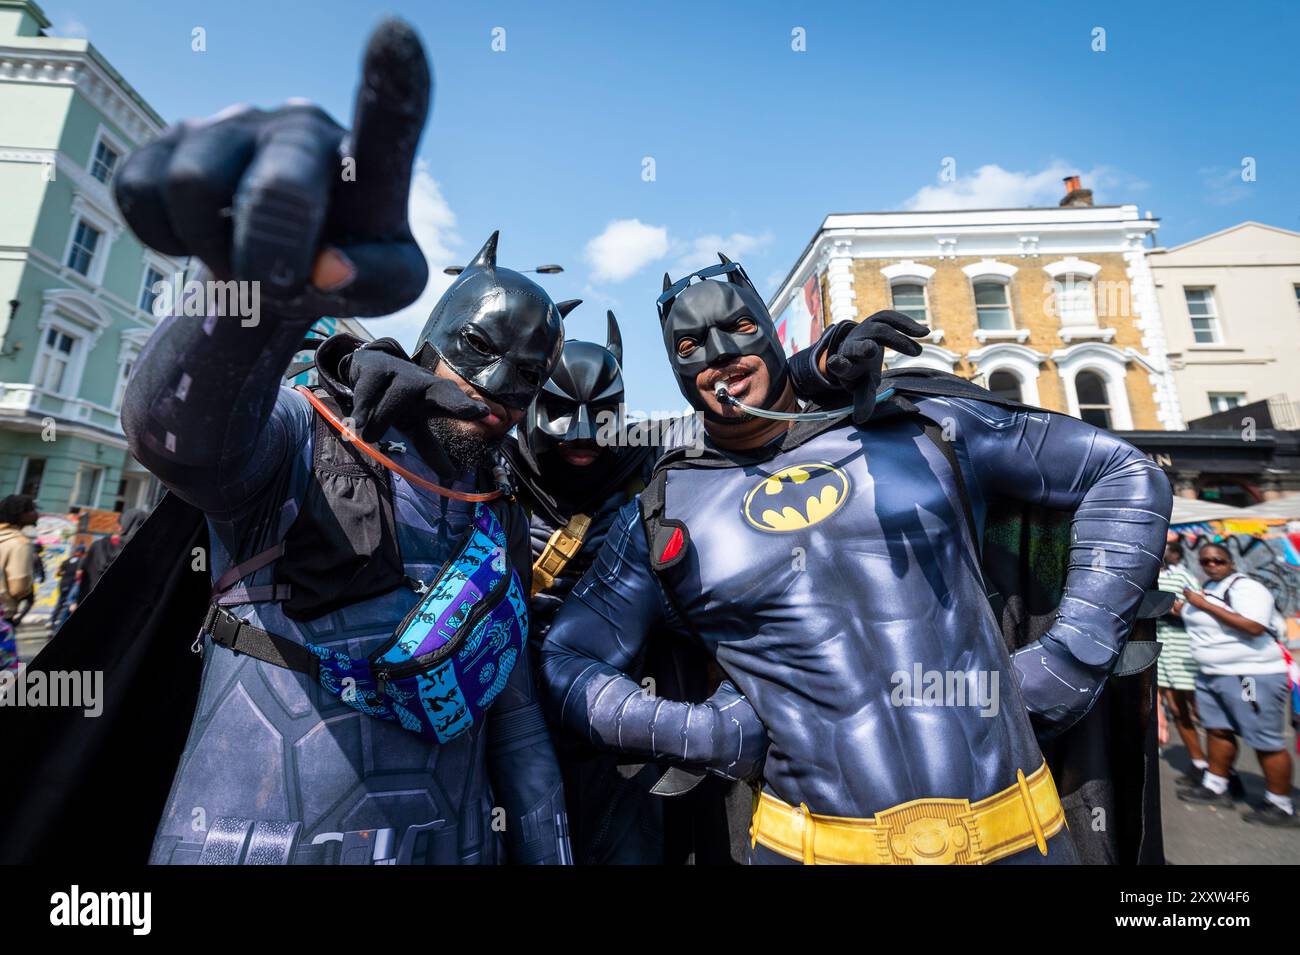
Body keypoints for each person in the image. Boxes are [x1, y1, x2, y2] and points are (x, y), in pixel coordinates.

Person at [17, 19, 568, 865]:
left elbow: (516, 721)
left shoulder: (497, 508)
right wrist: (257, 303)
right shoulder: (312, 435)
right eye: (480, 353)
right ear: (431, 343)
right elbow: (180, 438)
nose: (500, 392)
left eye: (528, 376)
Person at [541, 257, 1172, 865]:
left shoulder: (917, 425)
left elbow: (1120, 472)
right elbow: (567, 659)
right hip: (809, 844)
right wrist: (699, 734)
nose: (720, 356)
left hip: (1016, 830)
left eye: (737, 328)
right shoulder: (665, 508)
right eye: (688, 347)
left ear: (767, 325)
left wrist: (1075, 653)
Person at [1177, 542, 1296, 827]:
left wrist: (1202, 604)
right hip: (1212, 673)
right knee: (1218, 731)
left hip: (1249, 674)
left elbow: (1253, 626)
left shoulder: (1246, 588)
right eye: (1206, 561)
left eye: (1218, 560)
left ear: (1231, 562)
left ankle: (1281, 804)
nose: (1211, 565)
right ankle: (1217, 786)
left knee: (1263, 740)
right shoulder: (1210, 590)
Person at [1155, 537, 1215, 783]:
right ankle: (1199, 762)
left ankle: (1221, 770)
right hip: (1162, 649)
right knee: (1178, 710)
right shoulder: (1145, 577)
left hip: (1185, 650)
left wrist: (1172, 608)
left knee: (1201, 710)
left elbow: (1201, 605)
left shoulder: (1182, 576)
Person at [0, 494, 39, 670]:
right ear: (21, 514)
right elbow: (18, 588)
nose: (36, 513)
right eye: (32, 509)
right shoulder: (19, 543)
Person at [77, 510, 147, 604]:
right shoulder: (145, 551)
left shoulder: (98, 545)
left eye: (121, 524)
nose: (119, 528)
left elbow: (85, 578)